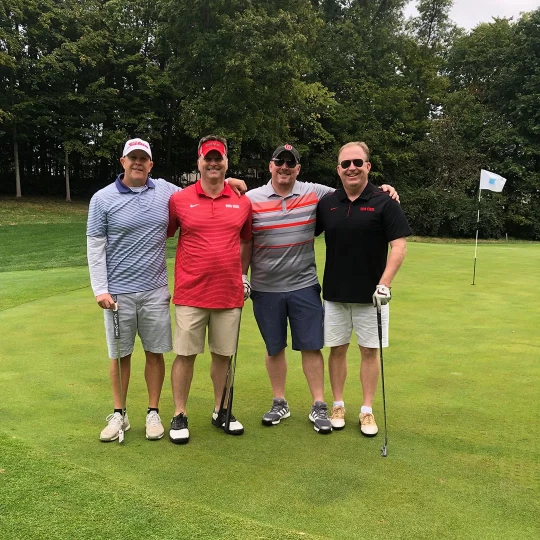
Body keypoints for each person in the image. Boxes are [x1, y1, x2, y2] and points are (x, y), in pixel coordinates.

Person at [87, 138, 246, 442]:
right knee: (120, 355)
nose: (137, 163)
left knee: (155, 353)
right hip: (117, 294)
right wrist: (100, 289)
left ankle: (153, 412)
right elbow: (95, 246)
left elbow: (204, 185)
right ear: (122, 162)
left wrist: (229, 180)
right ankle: (119, 414)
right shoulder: (102, 199)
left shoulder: (165, 191)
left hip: (155, 289)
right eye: (132, 158)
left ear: (151, 164)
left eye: (143, 159)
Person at [246, 144, 399, 434]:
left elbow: (353, 189)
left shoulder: (315, 193)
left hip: (304, 286)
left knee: (311, 346)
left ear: (298, 169)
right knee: (274, 347)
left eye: (291, 164)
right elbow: (239, 233)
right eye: (280, 161)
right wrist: (230, 184)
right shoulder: (251, 198)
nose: (285, 167)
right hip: (265, 288)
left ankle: (319, 405)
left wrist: (383, 190)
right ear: (270, 165)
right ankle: (280, 401)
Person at [315, 141, 411, 436]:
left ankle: (367, 411)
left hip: (373, 296)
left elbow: (399, 246)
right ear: (338, 170)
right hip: (335, 294)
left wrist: (385, 283)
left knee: (370, 352)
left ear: (368, 166)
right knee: (337, 350)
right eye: (345, 164)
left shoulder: (385, 202)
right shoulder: (328, 203)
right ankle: (338, 404)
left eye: (358, 162)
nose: (352, 168)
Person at [167, 135, 252, 445]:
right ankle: (179, 413)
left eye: (219, 158)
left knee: (223, 356)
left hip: (228, 293)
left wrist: (243, 275)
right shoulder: (179, 199)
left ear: (226, 161)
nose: (213, 162)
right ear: (199, 162)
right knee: (185, 354)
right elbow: (165, 233)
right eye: (208, 158)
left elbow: (246, 240)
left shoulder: (242, 201)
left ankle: (221, 411)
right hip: (191, 291)